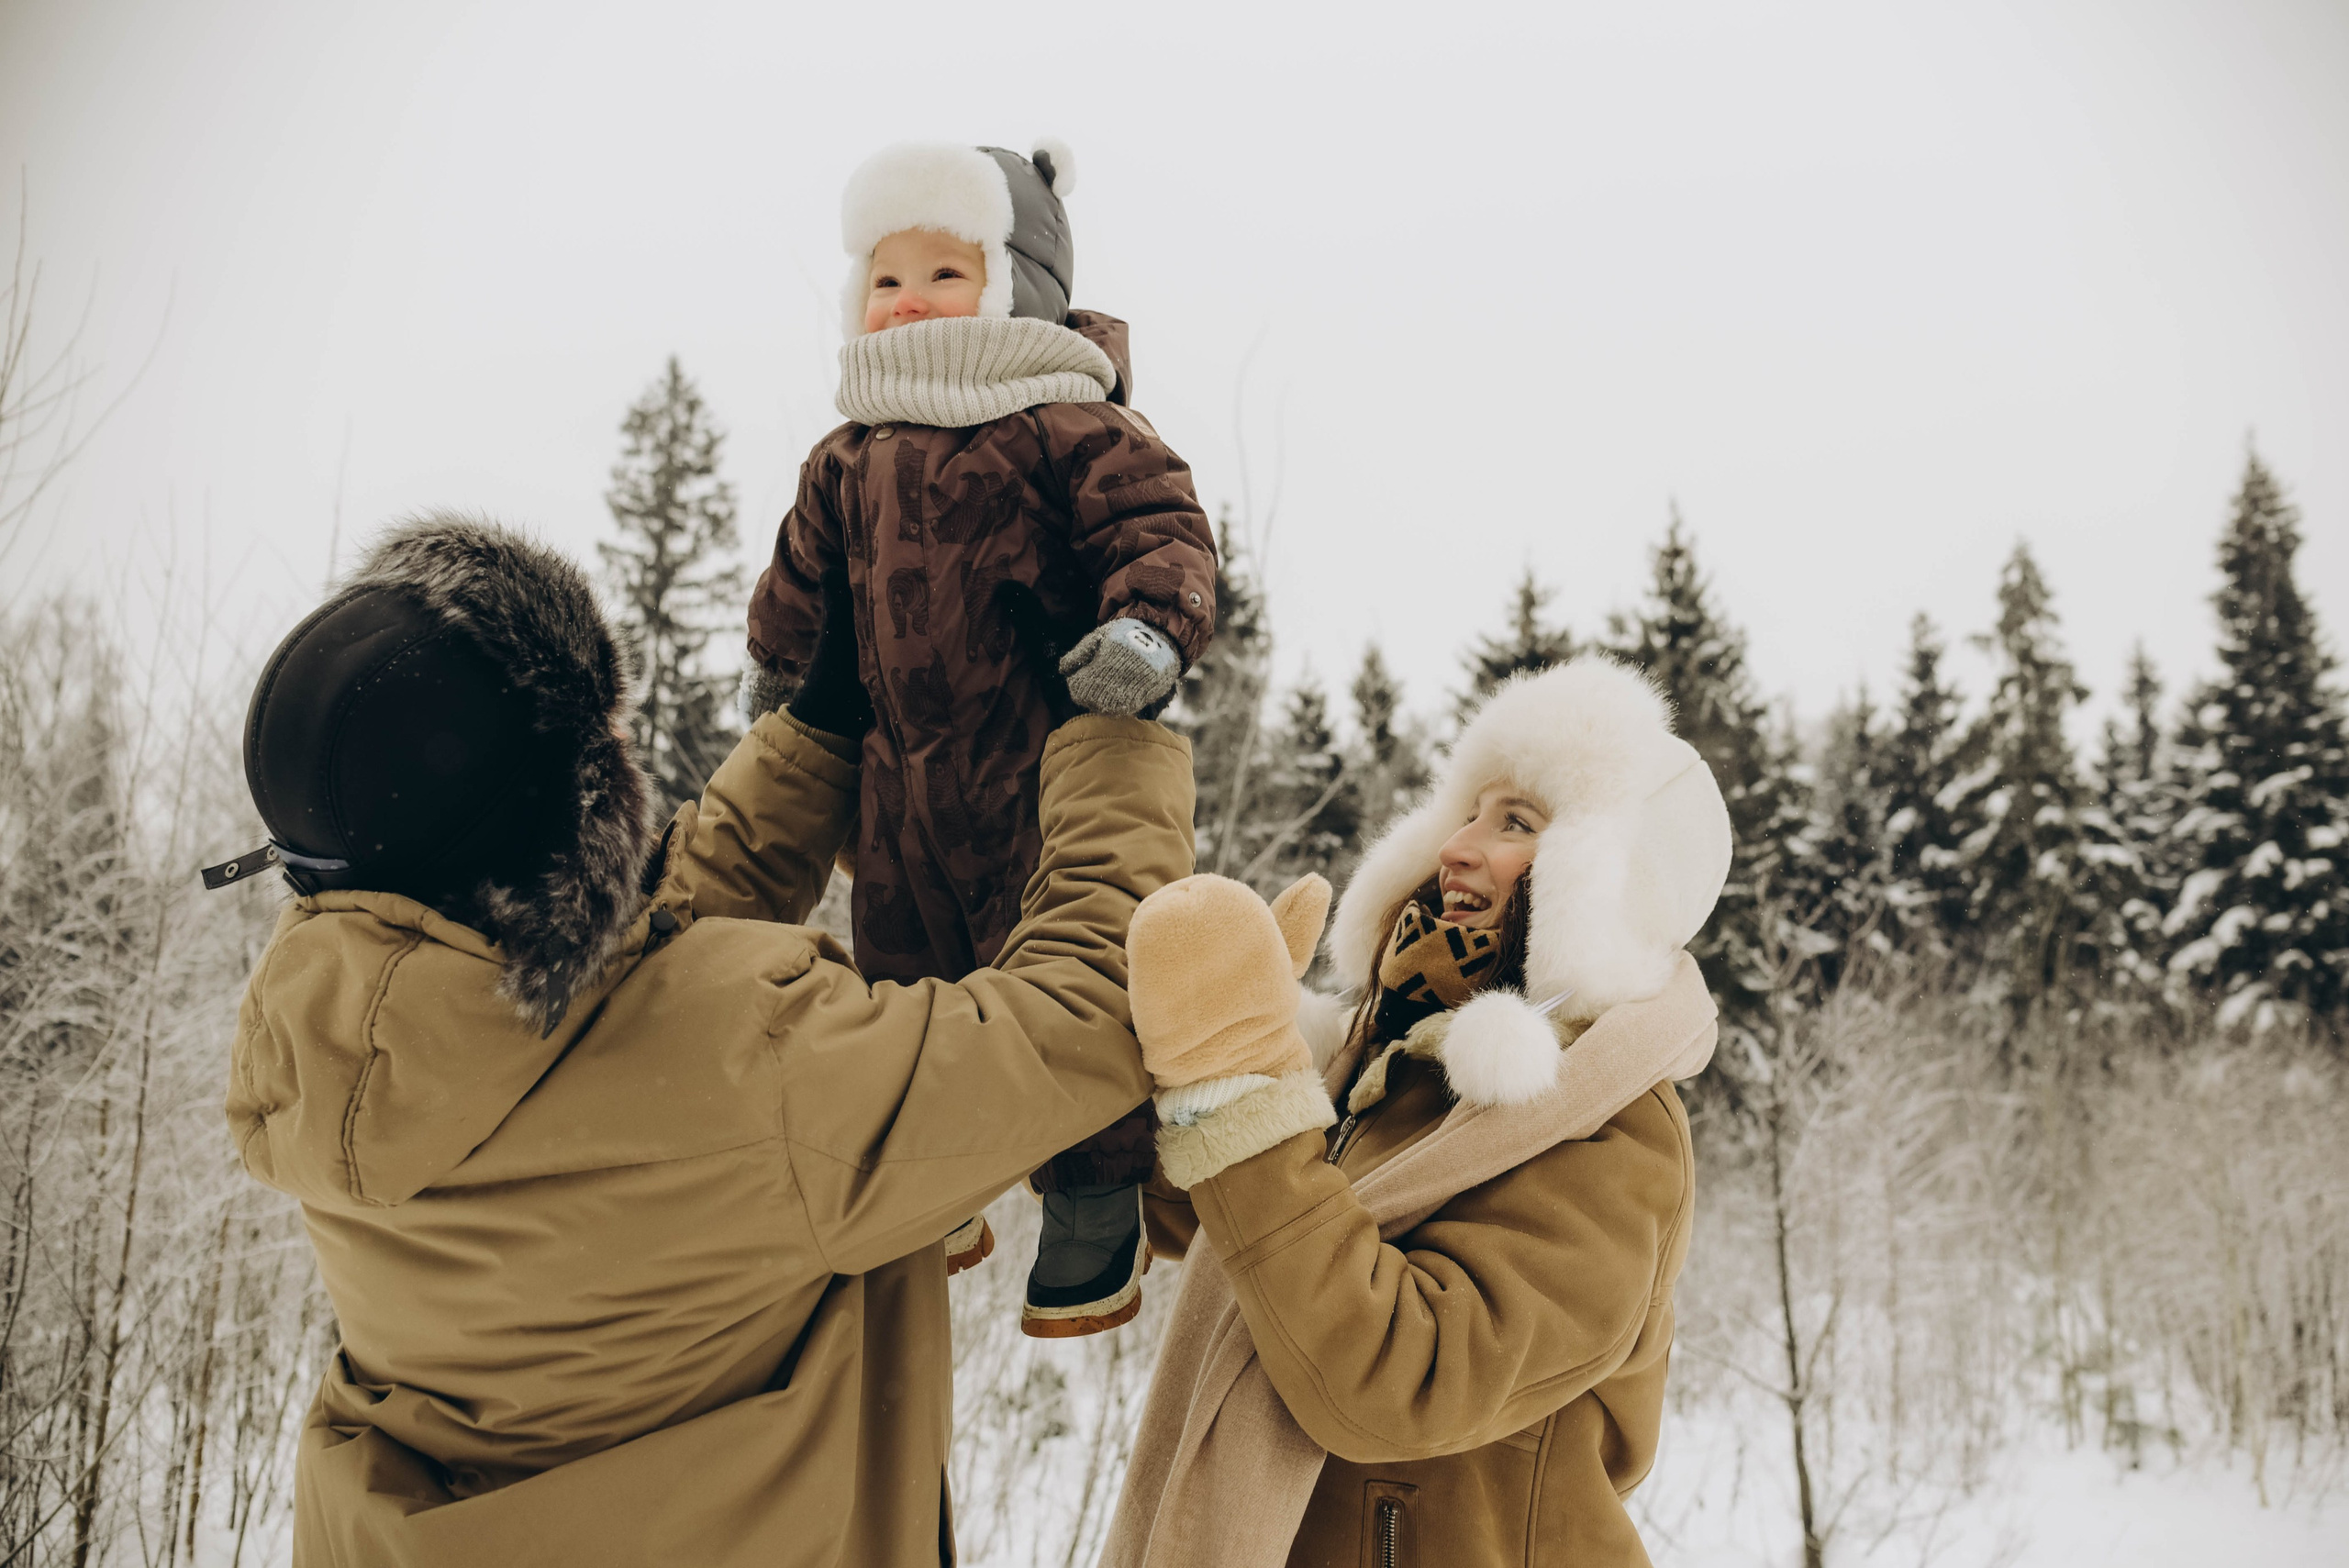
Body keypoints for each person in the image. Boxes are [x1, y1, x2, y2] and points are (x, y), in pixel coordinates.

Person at [207, 515, 1194, 1567]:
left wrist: (812, 733)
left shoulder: (339, 1053)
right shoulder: (757, 1070)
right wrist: (1112, 740)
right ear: (573, 818)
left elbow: (620, 992)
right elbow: (1086, 1011)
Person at [1101, 657, 1731, 1568]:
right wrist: (1180, 1078)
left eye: (1514, 821)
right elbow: (1243, 1237)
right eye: (1465, 811)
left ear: (1600, 884)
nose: (1454, 846)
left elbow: (1402, 1374)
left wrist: (1245, 1097)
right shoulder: (1392, 1063)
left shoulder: (1613, 1129)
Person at [744, 139, 1219, 1337]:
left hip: (1040, 771)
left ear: (1017, 285)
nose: (906, 301)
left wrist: (1146, 634)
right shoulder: (844, 457)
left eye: (944, 274)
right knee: (899, 985)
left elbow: (1162, 532)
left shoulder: (1069, 423)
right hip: (899, 797)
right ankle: (932, 1190)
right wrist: (783, 671)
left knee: (1069, 986)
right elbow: (796, 593)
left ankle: (1095, 1199)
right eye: (884, 277)